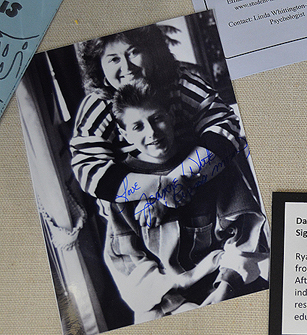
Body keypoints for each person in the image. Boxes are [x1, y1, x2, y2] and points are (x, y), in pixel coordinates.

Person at [103, 85, 269, 324]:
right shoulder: (122, 189)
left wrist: (226, 286)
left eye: (157, 118)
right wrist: (181, 304)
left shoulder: (211, 164)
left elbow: (245, 232)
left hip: (227, 282)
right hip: (164, 302)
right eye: (138, 126)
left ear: (170, 115)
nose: (151, 132)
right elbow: (129, 264)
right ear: (124, 133)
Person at [69, 24, 248, 212]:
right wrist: (156, 188)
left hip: (205, 194)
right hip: (139, 213)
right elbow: (88, 169)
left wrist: (171, 185)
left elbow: (225, 127)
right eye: (114, 60)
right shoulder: (98, 105)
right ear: (100, 69)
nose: (126, 67)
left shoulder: (180, 82)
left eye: (133, 52)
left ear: (152, 52)